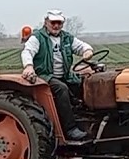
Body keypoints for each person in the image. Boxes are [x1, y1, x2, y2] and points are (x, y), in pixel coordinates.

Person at [21, 10, 94, 142]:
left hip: (65, 75)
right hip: (45, 76)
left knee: (86, 83)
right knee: (61, 89)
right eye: (53, 22)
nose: (56, 26)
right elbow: (27, 52)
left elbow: (81, 46)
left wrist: (87, 51)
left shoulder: (66, 38)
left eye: (59, 23)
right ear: (46, 22)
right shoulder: (38, 37)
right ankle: (70, 129)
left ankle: (88, 119)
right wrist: (29, 66)